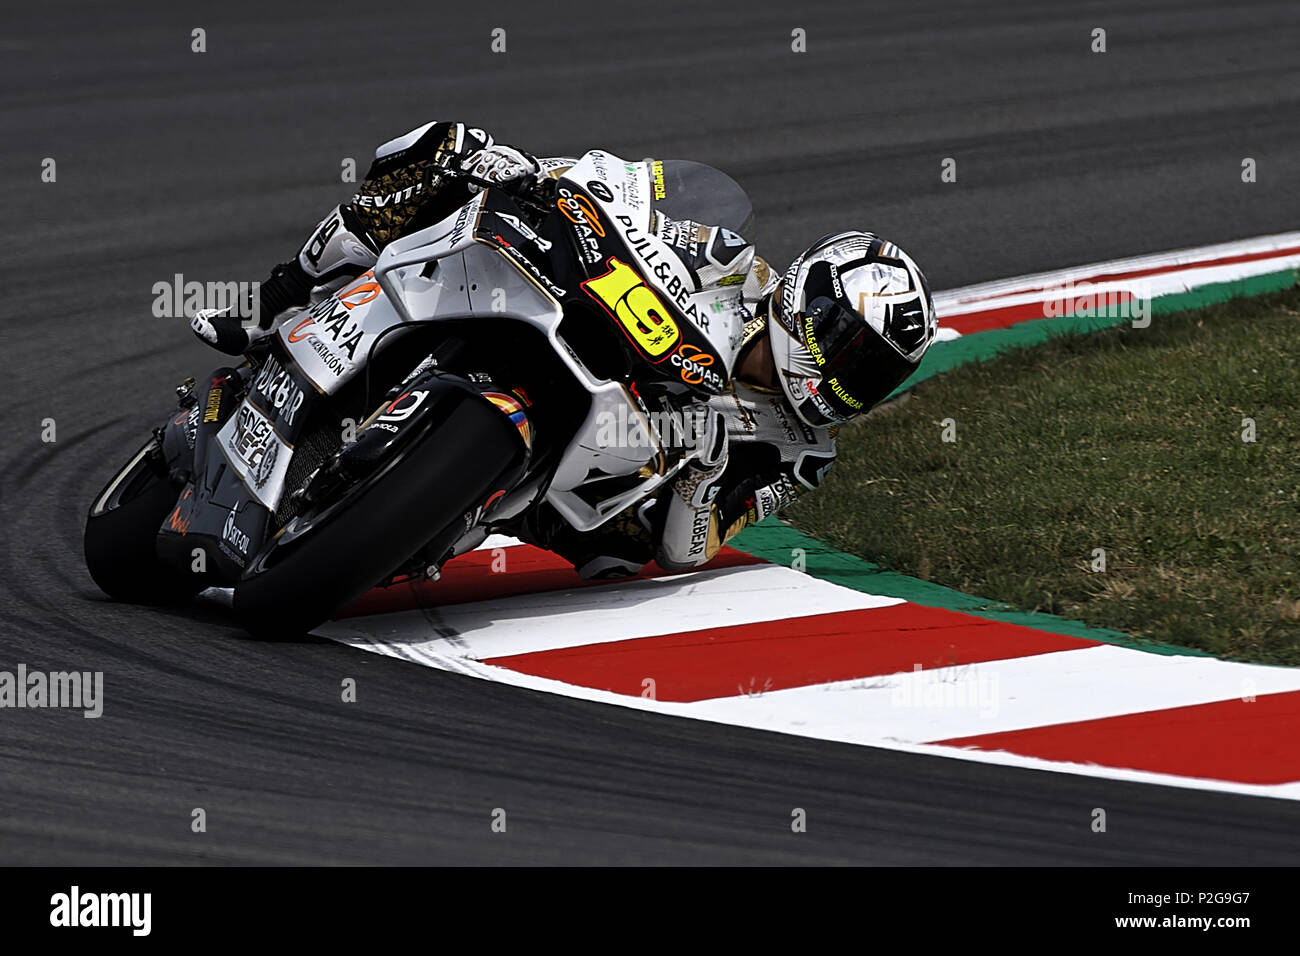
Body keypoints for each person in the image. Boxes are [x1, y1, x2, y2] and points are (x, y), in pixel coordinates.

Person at [190, 121, 938, 579]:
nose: (845, 374)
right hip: (576, 326)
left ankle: (421, 514)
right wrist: (540, 172)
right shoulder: (728, 262)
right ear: (810, 296)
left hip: (600, 500)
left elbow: (688, 550)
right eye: (847, 346)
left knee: (619, 554)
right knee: (449, 146)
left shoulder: (800, 452)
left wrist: (705, 473)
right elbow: (627, 188)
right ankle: (277, 302)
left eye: (870, 375)